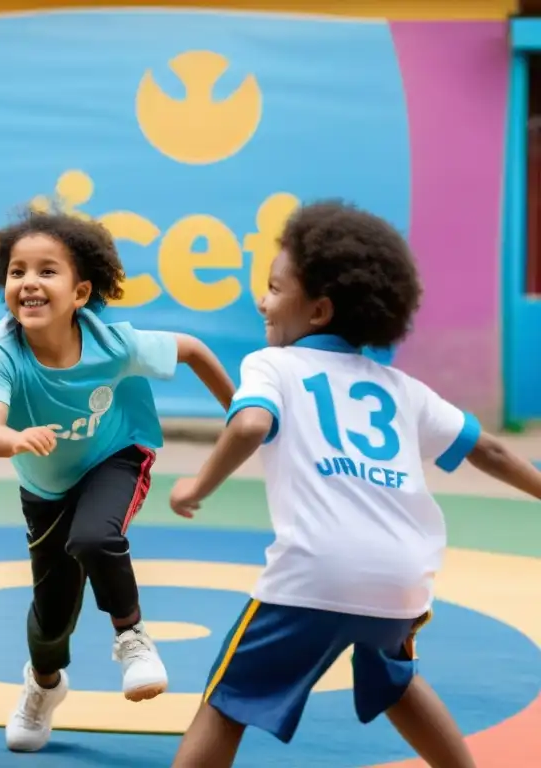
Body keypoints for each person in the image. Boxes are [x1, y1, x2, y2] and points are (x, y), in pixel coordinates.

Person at [168, 201, 541, 768]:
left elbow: (248, 423)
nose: (261, 300)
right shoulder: (400, 386)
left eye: (272, 287)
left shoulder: (273, 365)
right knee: (396, 681)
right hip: (401, 581)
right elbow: (486, 448)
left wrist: (197, 484)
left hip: (315, 574)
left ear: (318, 310)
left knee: (227, 701)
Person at [0, 209, 236, 753]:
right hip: (45, 489)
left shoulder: (115, 344)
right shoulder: (2, 352)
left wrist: (241, 412)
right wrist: (16, 438)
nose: (29, 283)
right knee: (51, 617)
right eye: (17, 272)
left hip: (116, 454)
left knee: (93, 536)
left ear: (81, 292)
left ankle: (131, 637)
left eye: (47, 271)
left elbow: (194, 351)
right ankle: (44, 686)